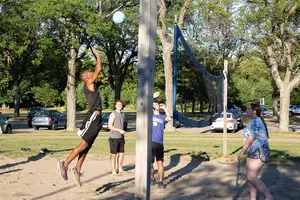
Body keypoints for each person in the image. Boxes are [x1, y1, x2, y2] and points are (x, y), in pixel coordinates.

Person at [57, 47, 103, 187]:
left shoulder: (91, 85)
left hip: (98, 119)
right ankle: (64, 165)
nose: (92, 72)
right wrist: (97, 56)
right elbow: (99, 69)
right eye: (90, 72)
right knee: (83, 144)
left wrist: (105, 80)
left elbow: (98, 81)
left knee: (87, 147)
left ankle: (77, 170)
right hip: (93, 117)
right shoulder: (88, 83)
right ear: (86, 77)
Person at [238, 104, 274, 200]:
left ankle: (269, 196)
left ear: (254, 111)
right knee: (250, 177)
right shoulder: (254, 121)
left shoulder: (256, 121)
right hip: (253, 151)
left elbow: (250, 139)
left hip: (260, 151)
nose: (247, 109)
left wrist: (242, 152)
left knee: (251, 177)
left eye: (249, 108)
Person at [151, 94, 172, 189]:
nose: (157, 105)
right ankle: (151, 178)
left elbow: (169, 118)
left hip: (159, 143)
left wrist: (165, 108)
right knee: (150, 163)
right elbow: (144, 105)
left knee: (160, 163)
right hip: (150, 142)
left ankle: (160, 181)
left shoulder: (162, 117)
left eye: (158, 104)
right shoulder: (149, 115)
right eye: (155, 104)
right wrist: (152, 97)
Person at [108, 100, 126, 175]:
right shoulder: (113, 114)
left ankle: (120, 168)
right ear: (115, 105)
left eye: (120, 104)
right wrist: (119, 130)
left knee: (122, 153)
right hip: (113, 137)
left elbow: (123, 126)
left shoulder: (122, 114)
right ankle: (113, 170)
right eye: (118, 104)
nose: (119, 105)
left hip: (121, 137)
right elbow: (109, 126)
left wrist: (123, 135)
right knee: (113, 154)